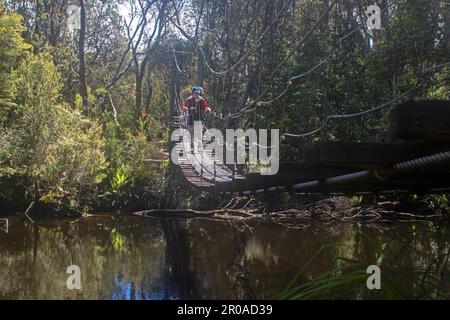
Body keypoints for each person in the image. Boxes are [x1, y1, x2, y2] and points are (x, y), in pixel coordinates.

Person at [182, 86, 211, 153]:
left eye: (198, 93)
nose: (197, 95)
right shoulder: (188, 100)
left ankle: (198, 147)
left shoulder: (201, 100)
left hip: (199, 119)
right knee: (191, 134)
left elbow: (205, 106)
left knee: (198, 134)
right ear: (192, 93)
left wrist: (208, 109)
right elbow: (184, 106)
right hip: (190, 120)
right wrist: (185, 108)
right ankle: (192, 146)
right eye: (195, 93)